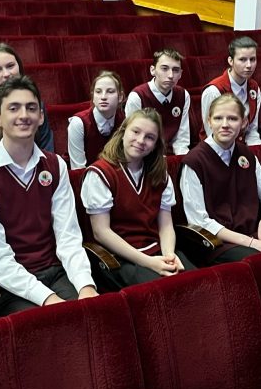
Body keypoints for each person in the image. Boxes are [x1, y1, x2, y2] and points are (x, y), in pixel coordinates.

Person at [0, 75, 98, 316]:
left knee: (93, 313)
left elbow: (68, 237)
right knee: (52, 324)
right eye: (13, 108)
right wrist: (48, 298)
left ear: (41, 116)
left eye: (31, 108)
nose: (24, 115)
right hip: (5, 284)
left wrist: (85, 286)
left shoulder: (55, 165)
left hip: (54, 271)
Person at [81, 109, 194, 286]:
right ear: (123, 132)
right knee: (165, 290)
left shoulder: (159, 174)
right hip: (121, 258)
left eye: (149, 137)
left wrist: (169, 256)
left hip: (158, 251)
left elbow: (165, 225)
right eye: (135, 132)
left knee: (197, 283)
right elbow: (101, 232)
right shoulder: (100, 173)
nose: (141, 141)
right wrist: (149, 263)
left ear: (156, 144)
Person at [180, 94, 261, 263]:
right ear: (209, 121)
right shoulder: (194, 161)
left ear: (244, 123)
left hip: (252, 232)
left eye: (232, 118)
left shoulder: (246, 154)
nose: (225, 124)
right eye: (218, 118)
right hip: (218, 243)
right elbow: (200, 221)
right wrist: (251, 243)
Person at [0, 43, 53, 161]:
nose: (6, 74)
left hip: (36, 169)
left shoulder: (36, 104)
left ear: (19, 66)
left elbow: (47, 152)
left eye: (10, 66)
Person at [125, 48, 191, 155]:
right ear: (153, 70)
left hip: (170, 155)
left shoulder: (183, 95)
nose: (170, 75)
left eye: (175, 70)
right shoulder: (137, 96)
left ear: (180, 74)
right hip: (144, 154)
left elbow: (181, 139)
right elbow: (132, 139)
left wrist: (182, 159)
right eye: (164, 69)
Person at [200, 36, 261, 144]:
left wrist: (256, 150)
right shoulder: (214, 91)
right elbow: (212, 134)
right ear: (230, 61)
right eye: (242, 59)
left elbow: (252, 131)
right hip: (216, 148)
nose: (249, 65)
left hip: (242, 148)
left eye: (252, 59)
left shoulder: (254, 88)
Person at [67, 71, 125, 168]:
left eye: (110, 91)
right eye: (98, 92)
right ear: (93, 97)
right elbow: (78, 168)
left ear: (120, 97)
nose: (103, 97)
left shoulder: (124, 120)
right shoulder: (78, 123)